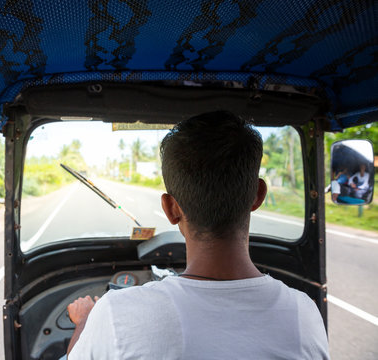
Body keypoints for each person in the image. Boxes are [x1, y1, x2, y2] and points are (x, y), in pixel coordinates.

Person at [66, 112, 329, 359]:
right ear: (258, 195)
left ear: (170, 209)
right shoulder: (303, 314)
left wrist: (85, 322)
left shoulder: (116, 313)